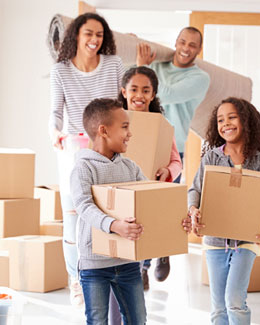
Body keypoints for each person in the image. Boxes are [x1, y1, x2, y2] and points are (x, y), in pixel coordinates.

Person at [70, 98, 192, 324]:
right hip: (95, 264)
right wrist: (115, 226)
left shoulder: (130, 167)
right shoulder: (83, 167)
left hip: (127, 263)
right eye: (125, 127)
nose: (130, 133)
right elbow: (84, 206)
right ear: (103, 131)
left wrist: (179, 220)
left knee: (137, 319)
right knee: (97, 320)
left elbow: (151, 201)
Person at [49, 13, 124, 306]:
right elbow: (55, 112)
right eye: (88, 34)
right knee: (74, 222)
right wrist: (54, 132)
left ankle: (110, 277)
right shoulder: (61, 71)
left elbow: (124, 103)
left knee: (107, 215)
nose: (94, 40)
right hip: (74, 150)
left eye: (100, 35)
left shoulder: (114, 65)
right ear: (76, 36)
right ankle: (76, 281)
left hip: (108, 151)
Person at [188, 97, 260, 325]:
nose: (225, 124)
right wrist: (193, 209)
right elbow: (195, 189)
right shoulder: (211, 157)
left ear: (246, 121)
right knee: (218, 307)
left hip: (246, 241)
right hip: (215, 242)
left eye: (231, 117)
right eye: (220, 120)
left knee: (234, 300)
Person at [136, 26, 210, 280]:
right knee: (141, 208)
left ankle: (162, 252)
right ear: (176, 42)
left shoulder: (200, 78)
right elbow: (135, 87)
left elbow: (164, 93)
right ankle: (143, 267)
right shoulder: (157, 65)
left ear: (199, 49)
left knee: (163, 209)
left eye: (192, 44)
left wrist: (145, 67)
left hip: (172, 148)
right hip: (144, 143)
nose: (185, 48)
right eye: (182, 42)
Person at [118, 66, 183, 290]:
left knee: (146, 230)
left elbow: (177, 162)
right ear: (124, 92)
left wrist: (168, 172)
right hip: (123, 191)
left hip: (151, 190)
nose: (139, 95)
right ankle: (141, 269)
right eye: (134, 89)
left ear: (153, 94)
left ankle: (147, 265)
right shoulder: (114, 122)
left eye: (146, 90)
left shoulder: (161, 126)